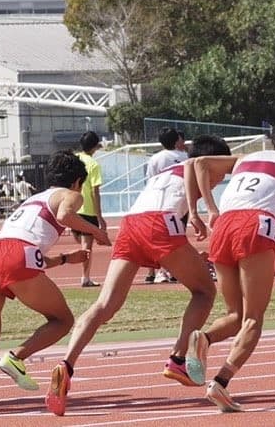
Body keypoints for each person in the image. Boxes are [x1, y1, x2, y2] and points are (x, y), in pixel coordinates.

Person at [43, 136, 229, 417]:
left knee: (105, 304)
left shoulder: (168, 172)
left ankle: (66, 364)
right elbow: (194, 168)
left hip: (132, 225)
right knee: (205, 292)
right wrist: (195, 213)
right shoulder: (193, 165)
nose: (219, 181)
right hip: (158, 223)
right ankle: (178, 358)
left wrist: (186, 250)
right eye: (221, 174)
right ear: (213, 162)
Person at [0, 152, 104, 418]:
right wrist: (98, 231)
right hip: (17, 256)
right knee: (62, 320)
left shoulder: (32, 199)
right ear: (77, 181)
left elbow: (23, 255)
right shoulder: (71, 194)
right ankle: (16, 357)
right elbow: (63, 216)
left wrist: (63, 259)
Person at [184, 119, 275, 412]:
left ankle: (203, 338)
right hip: (256, 224)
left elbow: (197, 164)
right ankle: (220, 383)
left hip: (224, 224)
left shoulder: (247, 157)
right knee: (253, 319)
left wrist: (207, 208)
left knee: (235, 315)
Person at [74, 131, 107, 287]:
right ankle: (85, 277)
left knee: (82, 244)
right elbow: (95, 191)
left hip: (73, 208)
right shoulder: (93, 164)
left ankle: (85, 275)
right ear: (95, 146)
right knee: (87, 247)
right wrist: (100, 217)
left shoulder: (75, 159)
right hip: (87, 210)